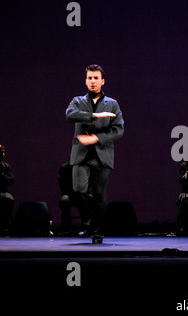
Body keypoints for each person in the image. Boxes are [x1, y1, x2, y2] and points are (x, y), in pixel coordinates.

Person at [65, 64, 124, 244]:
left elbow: (119, 129)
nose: (92, 82)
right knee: (78, 191)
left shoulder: (112, 104)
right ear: (85, 81)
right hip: (81, 154)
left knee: (99, 196)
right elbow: (69, 115)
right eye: (89, 78)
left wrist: (96, 138)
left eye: (96, 78)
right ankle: (90, 221)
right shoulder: (77, 101)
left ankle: (97, 233)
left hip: (101, 155)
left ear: (102, 81)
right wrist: (94, 116)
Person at [58, 162, 92, 233]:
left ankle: (90, 227)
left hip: (83, 193)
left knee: (92, 199)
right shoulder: (65, 168)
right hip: (70, 194)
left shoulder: (85, 167)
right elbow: (62, 183)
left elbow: (89, 181)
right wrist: (67, 193)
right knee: (64, 200)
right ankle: (66, 228)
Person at [0, 144, 14, 235]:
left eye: (4, 152)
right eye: (2, 152)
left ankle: (6, 227)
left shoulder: (6, 166)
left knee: (9, 199)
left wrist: (2, 176)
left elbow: (11, 181)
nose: (4, 154)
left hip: (2, 190)